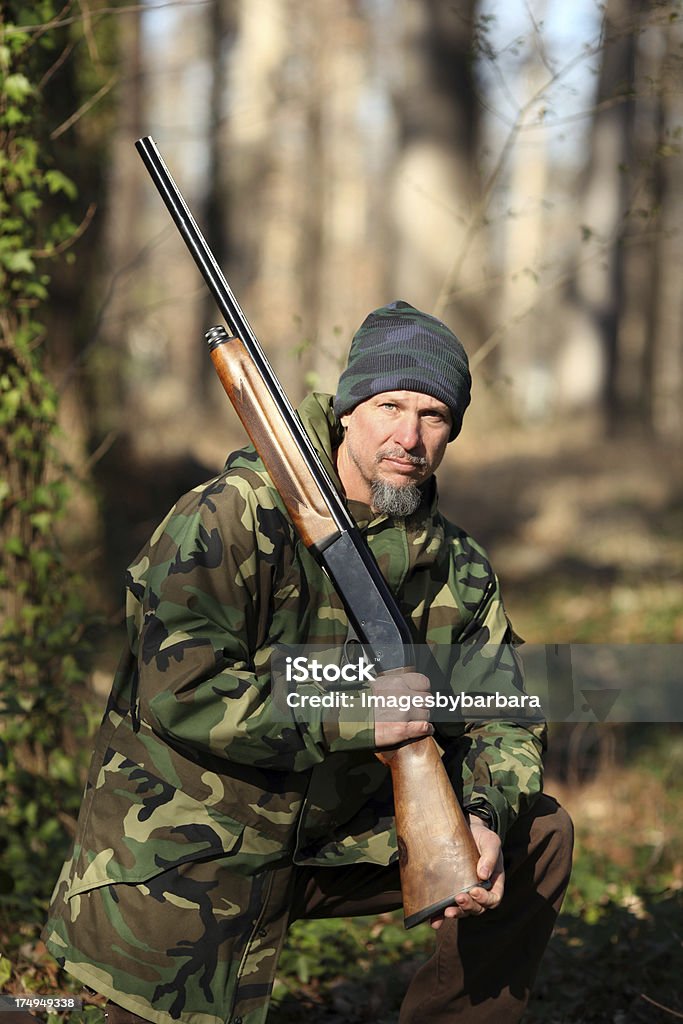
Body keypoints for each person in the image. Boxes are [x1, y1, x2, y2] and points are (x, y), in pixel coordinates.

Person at [44, 300, 573, 1024]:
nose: (407, 436)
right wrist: (359, 713)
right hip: (193, 847)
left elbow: (506, 714)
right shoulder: (229, 517)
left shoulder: (456, 566)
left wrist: (481, 815)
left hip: (335, 836)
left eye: (433, 416)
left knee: (536, 831)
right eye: (388, 405)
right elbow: (182, 692)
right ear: (349, 409)